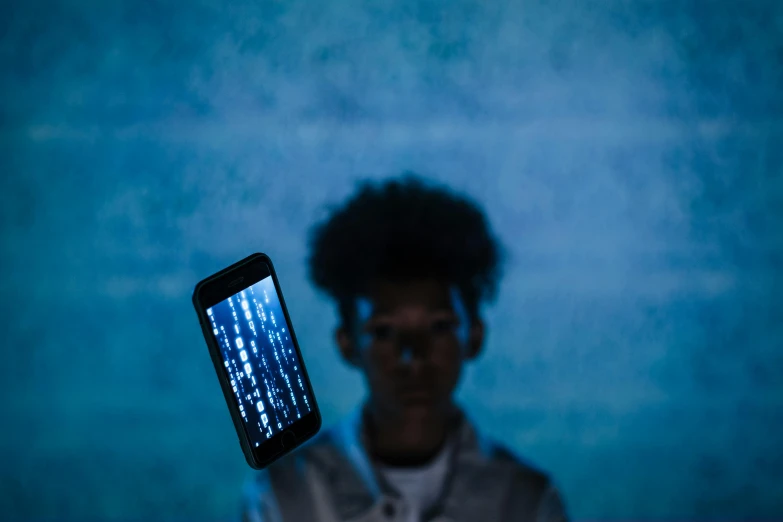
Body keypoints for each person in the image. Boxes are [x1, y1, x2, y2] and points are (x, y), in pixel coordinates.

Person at [241, 174, 568, 522]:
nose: (413, 357)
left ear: (474, 336)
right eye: (384, 332)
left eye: (439, 327)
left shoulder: (525, 502)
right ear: (347, 344)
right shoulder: (282, 496)